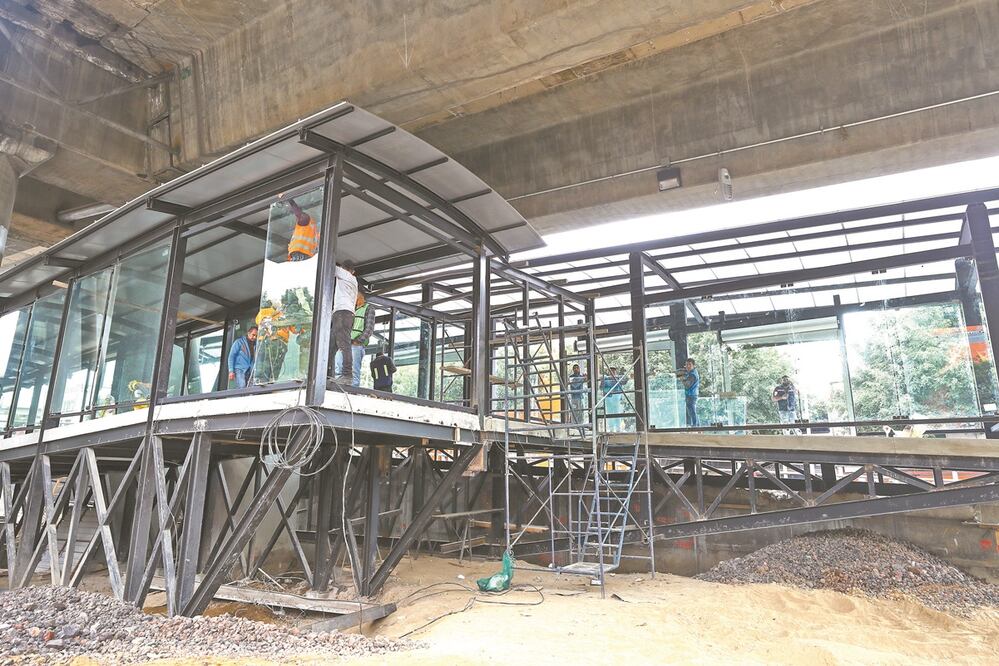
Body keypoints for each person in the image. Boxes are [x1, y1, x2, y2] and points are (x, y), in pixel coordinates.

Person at [334, 290, 375, 387]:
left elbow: (369, 329)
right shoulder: (350, 309)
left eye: (354, 295)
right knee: (339, 371)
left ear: (360, 296)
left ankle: (353, 394)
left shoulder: (368, 308)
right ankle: (340, 392)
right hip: (344, 344)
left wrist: (358, 341)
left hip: (355, 345)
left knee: (353, 372)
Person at [332, 260, 358, 384]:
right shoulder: (353, 280)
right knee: (334, 344)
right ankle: (329, 373)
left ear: (344, 268)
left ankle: (347, 375)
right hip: (347, 313)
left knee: (344, 344)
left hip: (342, 312)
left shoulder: (346, 275)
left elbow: (329, 265)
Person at [676, 358, 700, 427]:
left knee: (692, 411)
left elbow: (687, 385)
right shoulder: (691, 372)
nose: (687, 366)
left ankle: (695, 426)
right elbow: (681, 371)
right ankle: (697, 425)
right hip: (692, 394)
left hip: (691, 395)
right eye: (686, 365)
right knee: (692, 411)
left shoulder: (692, 375)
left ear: (694, 365)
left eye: (689, 365)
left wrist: (682, 379)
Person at [568, 363, 588, 436]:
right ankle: (574, 427)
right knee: (574, 412)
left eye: (577, 368)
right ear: (573, 370)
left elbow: (586, 382)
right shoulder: (571, 377)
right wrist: (583, 379)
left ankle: (580, 426)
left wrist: (585, 378)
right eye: (575, 368)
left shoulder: (580, 377)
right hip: (574, 398)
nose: (576, 369)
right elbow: (575, 385)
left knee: (581, 412)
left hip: (580, 397)